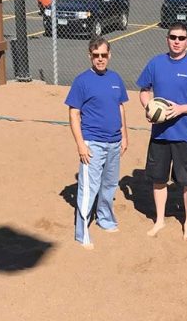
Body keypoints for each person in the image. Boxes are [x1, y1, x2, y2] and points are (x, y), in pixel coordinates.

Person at [137, 22, 187, 240]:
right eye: (173, 37)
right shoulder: (156, 63)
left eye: (181, 38)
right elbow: (144, 90)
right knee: (159, 179)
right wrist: (148, 107)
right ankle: (160, 220)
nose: (176, 41)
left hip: (185, 135)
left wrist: (180, 109)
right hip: (160, 134)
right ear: (167, 39)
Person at [65, 36, 128, 249]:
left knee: (109, 184)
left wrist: (125, 135)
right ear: (90, 56)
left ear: (109, 55)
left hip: (114, 141)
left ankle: (105, 219)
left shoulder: (116, 79)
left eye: (103, 55)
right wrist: (81, 144)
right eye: (96, 55)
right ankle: (82, 232)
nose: (100, 59)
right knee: (89, 187)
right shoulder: (82, 81)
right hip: (92, 142)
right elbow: (74, 114)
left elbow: (120, 107)